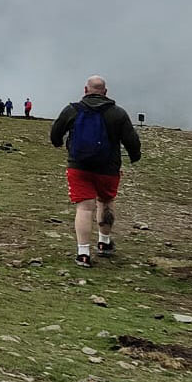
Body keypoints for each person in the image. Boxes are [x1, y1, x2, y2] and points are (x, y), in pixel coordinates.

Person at [49, 75, 142, 267]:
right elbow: (131, 140)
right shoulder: (118, 113)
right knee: (106, 201)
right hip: (108, 168)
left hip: (79, 167)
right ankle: (104, 242)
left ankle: (83, 253)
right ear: (105, 92)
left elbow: (55, 133)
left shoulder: (72, 110)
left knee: (84, 208)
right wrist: (135, 156)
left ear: (86, 90)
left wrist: (58, 143)